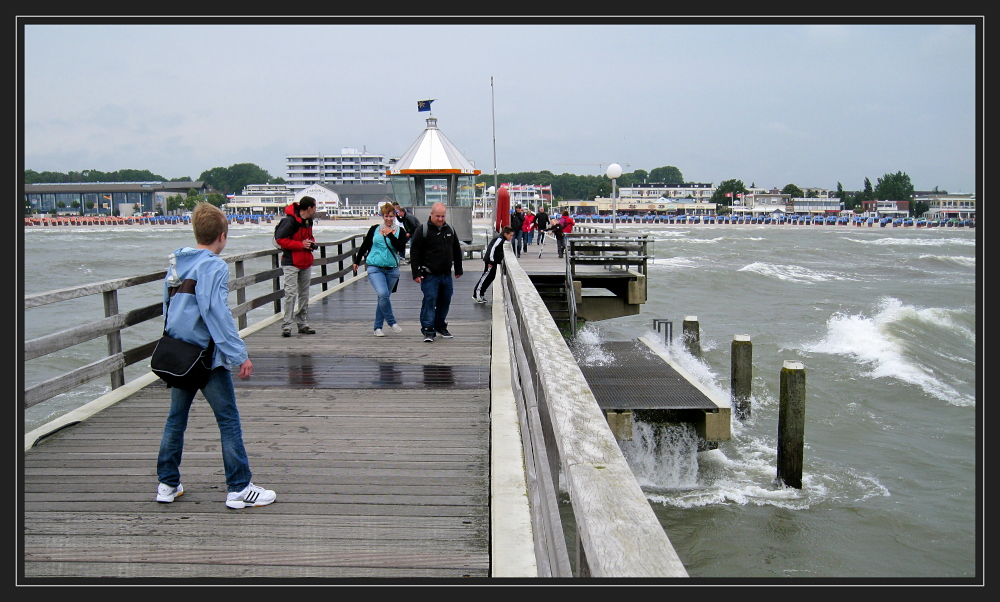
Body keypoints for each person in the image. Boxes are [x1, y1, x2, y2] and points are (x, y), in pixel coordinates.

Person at [155, 202, 276, 509]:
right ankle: (238, 488)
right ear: (223, 236)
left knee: (175, 420)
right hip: (208, 357)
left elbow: (167, 309)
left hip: (180, 355)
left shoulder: (177, 264)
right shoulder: (215, 266)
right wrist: (239, 354)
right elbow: (216, 314)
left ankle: (167, 484)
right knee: (228, 420)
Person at [410, 202, 463, 342]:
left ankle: (440, 325)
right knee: (430, 300)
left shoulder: (450, 229)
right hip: (429, 274)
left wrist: (458, 268)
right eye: (438, 216)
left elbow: (456, 249)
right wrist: (415, 273)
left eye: (443, 216)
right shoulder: (422, 230)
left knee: (445, 301)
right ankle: (428, 329)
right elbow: (414, 252)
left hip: (446, 274)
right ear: (431, 214)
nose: (440, 219)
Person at [353, 203, 407, 336]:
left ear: (395, 216)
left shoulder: (401, 231)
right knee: (383, 294)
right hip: (375, 267)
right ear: (382, 216)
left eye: (391, 216)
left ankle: (377, 327)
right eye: (386, 216)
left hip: (392, 270)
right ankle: (392, 322)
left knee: (384, 298)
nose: (389, 219)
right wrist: (357, 261)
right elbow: (365, 245)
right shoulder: (374, 229)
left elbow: (400, 248)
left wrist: (390, 235)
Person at [274, 196, 317, 338]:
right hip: (291, 262)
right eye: (315, 207)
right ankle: (287, 325)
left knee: (304, 294)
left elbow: (309, 236)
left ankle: (302, 323)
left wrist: (311, 243)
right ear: (309, 208)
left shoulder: (308, 221)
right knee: (290, 294)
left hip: (306, 261)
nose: (316, 210)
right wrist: (301, 245)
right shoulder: (289, 220)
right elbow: (280, 239)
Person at [473, 226, 515, 303]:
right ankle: (476, 294)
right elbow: (492, 249)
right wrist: (491, 261)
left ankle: (481, 294)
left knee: (491, 277)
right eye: (510, 235)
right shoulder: (499, 239)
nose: (511, 237)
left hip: (494, 261)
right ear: (505, 234)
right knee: (486, 276)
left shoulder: (502, 239)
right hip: (490, 261)